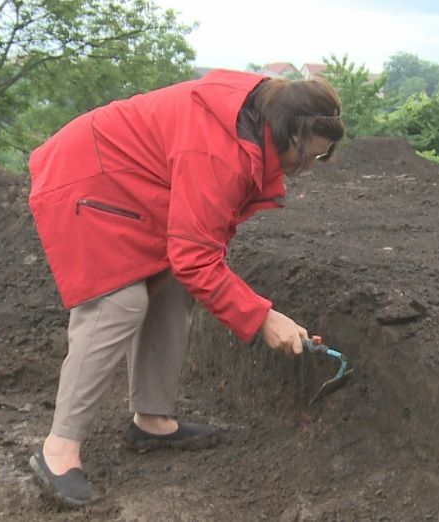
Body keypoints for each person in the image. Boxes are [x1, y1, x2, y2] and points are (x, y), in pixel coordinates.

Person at [26, 69, 344, 506]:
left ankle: (151, 420)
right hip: (87, 178)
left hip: (133, 183)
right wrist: (263, 317)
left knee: (174, 284)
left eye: (318, 159)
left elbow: (196, 250)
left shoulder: (264, 113)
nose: (306, 168)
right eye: (306, 156)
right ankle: (59, 451)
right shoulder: (217, 151)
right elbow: (197, 258)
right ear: (284, 132)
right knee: (118, 301)